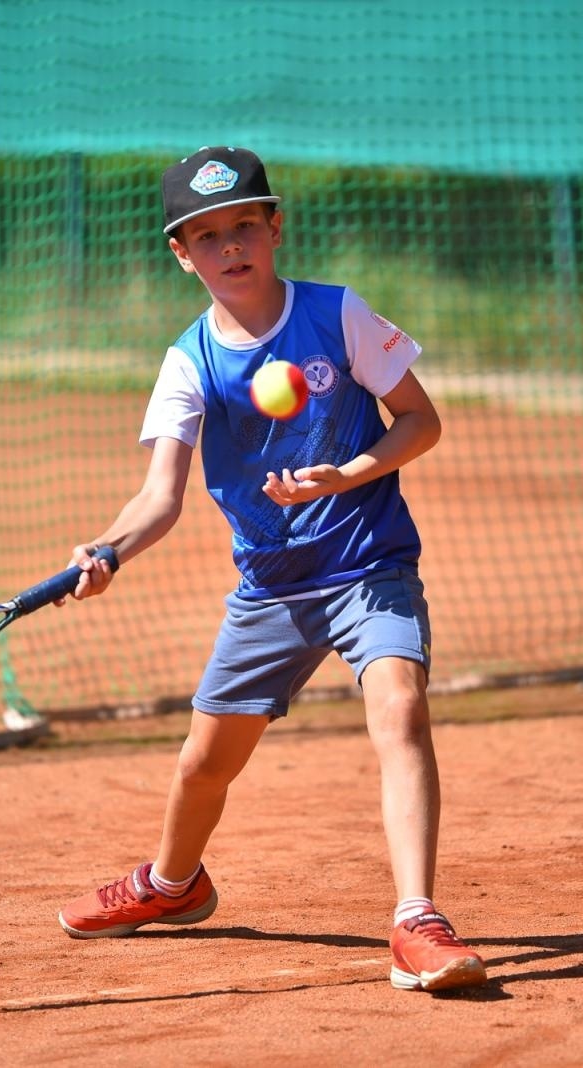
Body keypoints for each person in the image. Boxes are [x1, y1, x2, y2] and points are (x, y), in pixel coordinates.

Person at [53, 146, 485, 993]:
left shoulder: (336, 314)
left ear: (275, 228)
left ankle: (417, 919)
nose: (230, 246)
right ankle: (172, 885)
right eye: (206, 236)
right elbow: (159, 497)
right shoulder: (190, 361)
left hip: (367, 564)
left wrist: (346, 474)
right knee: (203, 766)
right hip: (273, 590)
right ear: (182, 254)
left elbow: (420, 421)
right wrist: (107, 550)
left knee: (400, 708)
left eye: (244, 225)